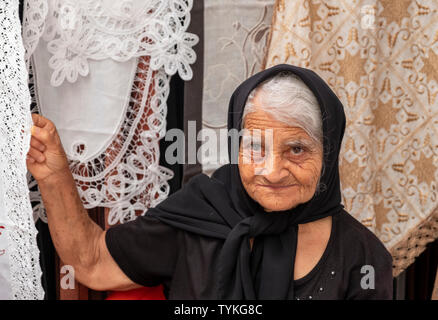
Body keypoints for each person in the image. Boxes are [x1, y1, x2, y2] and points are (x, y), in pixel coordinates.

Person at [26, 64, 393, 299]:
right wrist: (54, 175)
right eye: (255, 148)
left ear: (327, 153)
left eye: (297, 149)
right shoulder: (200, 215)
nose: (273, 171)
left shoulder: (363, 256)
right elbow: (91, 261)